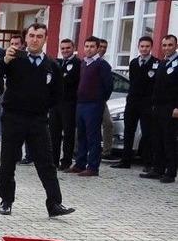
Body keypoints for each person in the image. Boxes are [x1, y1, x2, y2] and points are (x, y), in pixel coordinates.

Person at [0, 23, 75, 217]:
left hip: (38, 121)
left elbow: (57, 93)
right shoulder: (15, 59)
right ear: (26, 38)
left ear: (45, 39)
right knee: (8, 162)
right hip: (13, 118)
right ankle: (6, 200)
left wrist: (42, 107)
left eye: (39, 36)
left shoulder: (51, 65)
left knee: (46, 163)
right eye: (32, 36)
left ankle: (54, 204)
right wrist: (4, 61)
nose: (35, 39)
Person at [66, 37, 113, 177]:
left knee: (93, 136)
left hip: (94, 104)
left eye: (92, 46)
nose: (88, 49)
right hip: (81, 103)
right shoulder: (83, 63)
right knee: (81, 135)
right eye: (86, 46)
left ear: (98, 48)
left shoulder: (102, 65)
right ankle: (80, 163)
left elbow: (108, 86)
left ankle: (93, 167)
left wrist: (99, 99)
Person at [112, 36, 157, 170]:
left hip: (147, 103)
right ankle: (125, 161)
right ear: (138, 47)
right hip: (132, 102)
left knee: (147, 132)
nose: (144, 49)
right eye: (142, 46)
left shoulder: (156, 63)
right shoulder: (133, 63)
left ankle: (148, 162)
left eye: (147, 46)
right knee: (129, 131)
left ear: (151, 47)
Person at [140, 34, 178, 183]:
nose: (167, 48)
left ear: (175, 46)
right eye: (164, 45)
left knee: (169, 140)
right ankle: (158, 169)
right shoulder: (162, 63)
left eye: (170, 45)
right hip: (158, 107)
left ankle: (170, 172)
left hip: (171, 108)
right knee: (157, 139)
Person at [50, 39, 81, 171]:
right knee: (53, 133)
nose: (65, 51)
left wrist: (61, 78)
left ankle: (66, 161)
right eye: (62, 48)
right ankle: (53, 160)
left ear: (73, 48)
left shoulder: (77, 63)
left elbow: (70, 81)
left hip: (69, 103)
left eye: (67, 48)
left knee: (68, 133)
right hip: (55, 103)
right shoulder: (58, 63)